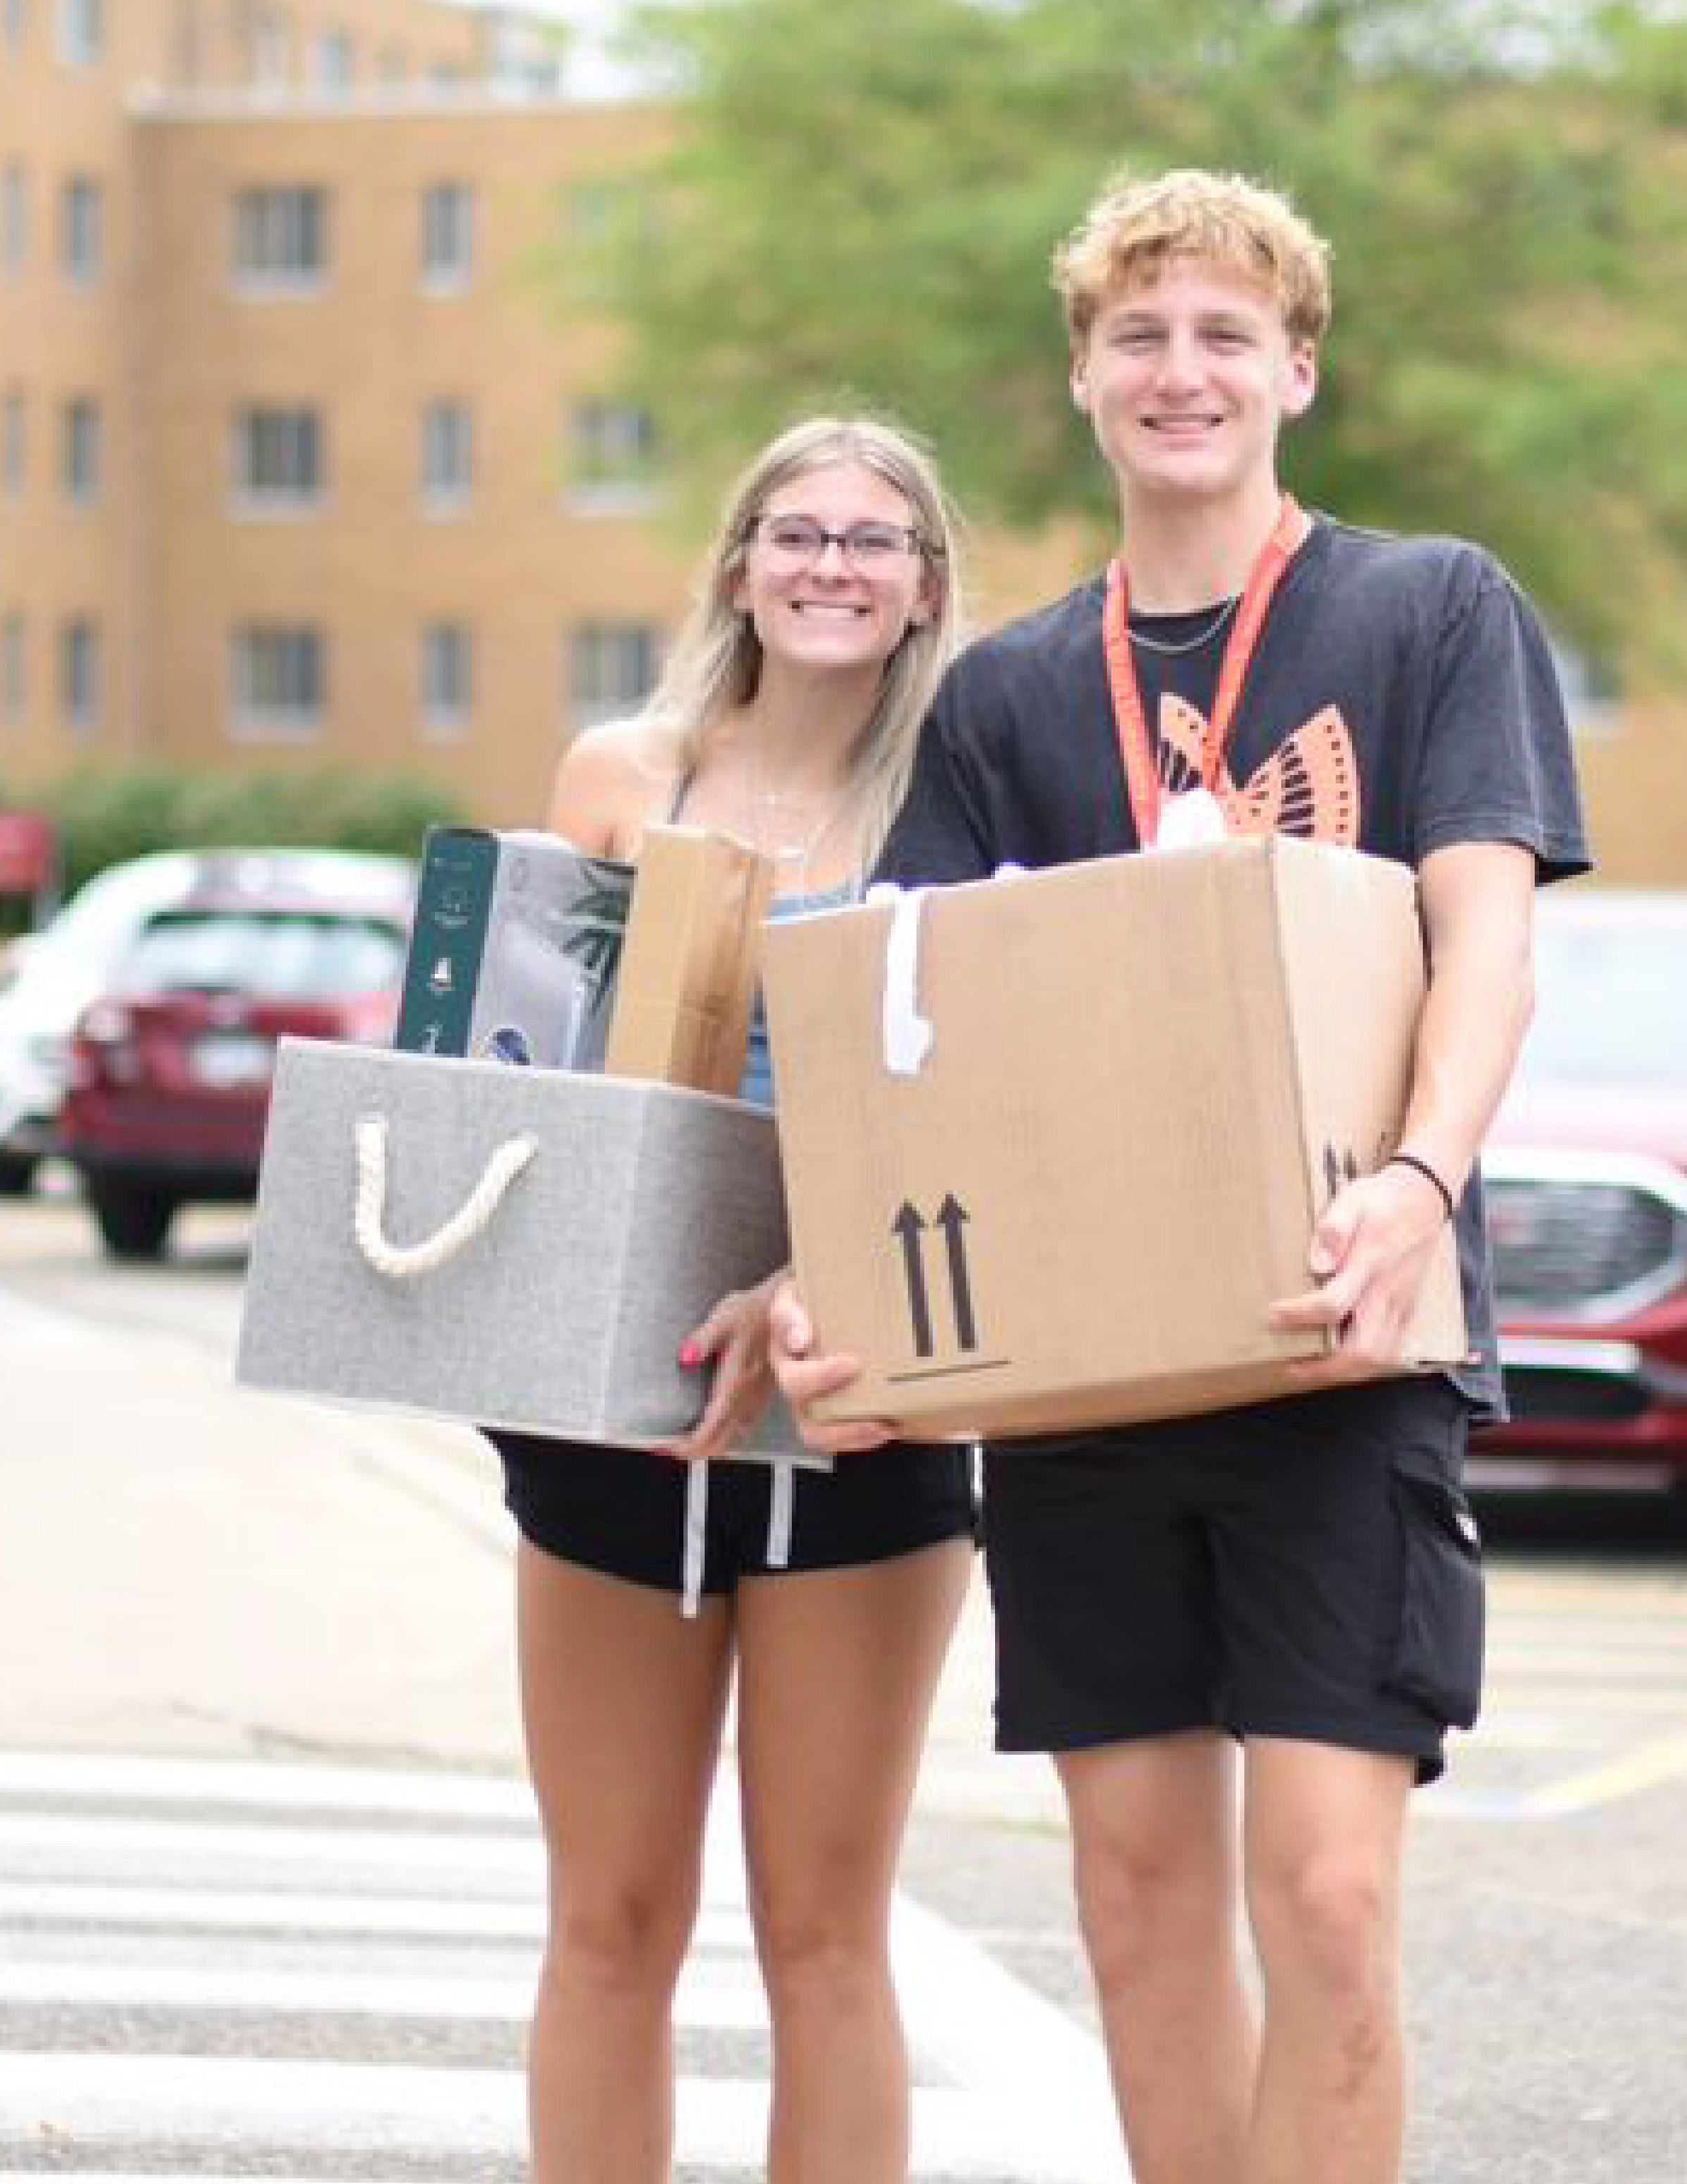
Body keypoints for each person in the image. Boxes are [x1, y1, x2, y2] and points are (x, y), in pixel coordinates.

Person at [777, 171, 1586, 2184]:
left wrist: (1418, 1175)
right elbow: (922, 1043)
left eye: (1228, 332)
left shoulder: (1429, 612)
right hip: (1091, 1383)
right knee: (1140, 1910)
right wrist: (835, 1288)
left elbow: (1483, 937)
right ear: (1082, 375)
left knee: (1324, 1898)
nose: (1182, 369)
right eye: (1140, 334)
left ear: (1298, 368)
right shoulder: (1009, 697)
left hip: (1344, 1332)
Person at [509, 415, 982, 2184]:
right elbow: (553, 1069)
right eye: (798, 532)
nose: (832, 566)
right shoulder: (623, 776)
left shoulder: (959, 797)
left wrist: (818, 1276)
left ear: (923, 582)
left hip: (869, 1385)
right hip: (619, 1389)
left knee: (823, 1930)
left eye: (873, 540)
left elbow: (986, 1102)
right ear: (735, 560)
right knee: (610, 1910)